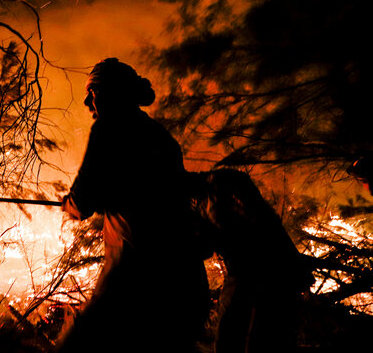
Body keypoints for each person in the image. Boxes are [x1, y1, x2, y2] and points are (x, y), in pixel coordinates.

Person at [58, 58, 210, 352]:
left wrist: (69, 204)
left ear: (113, 92)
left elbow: (83, 201)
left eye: (94, 92)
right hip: (183, 275)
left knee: (78, 346)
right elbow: (149, 190)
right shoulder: (160, 137)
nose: (89, 102)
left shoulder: (109, 129)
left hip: (133, 274)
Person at [189, 169, 312, 353]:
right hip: (243, 268)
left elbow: (261, 221)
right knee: (230, 335)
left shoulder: (220, 184)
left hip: (270, 268)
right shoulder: (194, 201)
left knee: (261, 338)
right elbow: (205, 243)